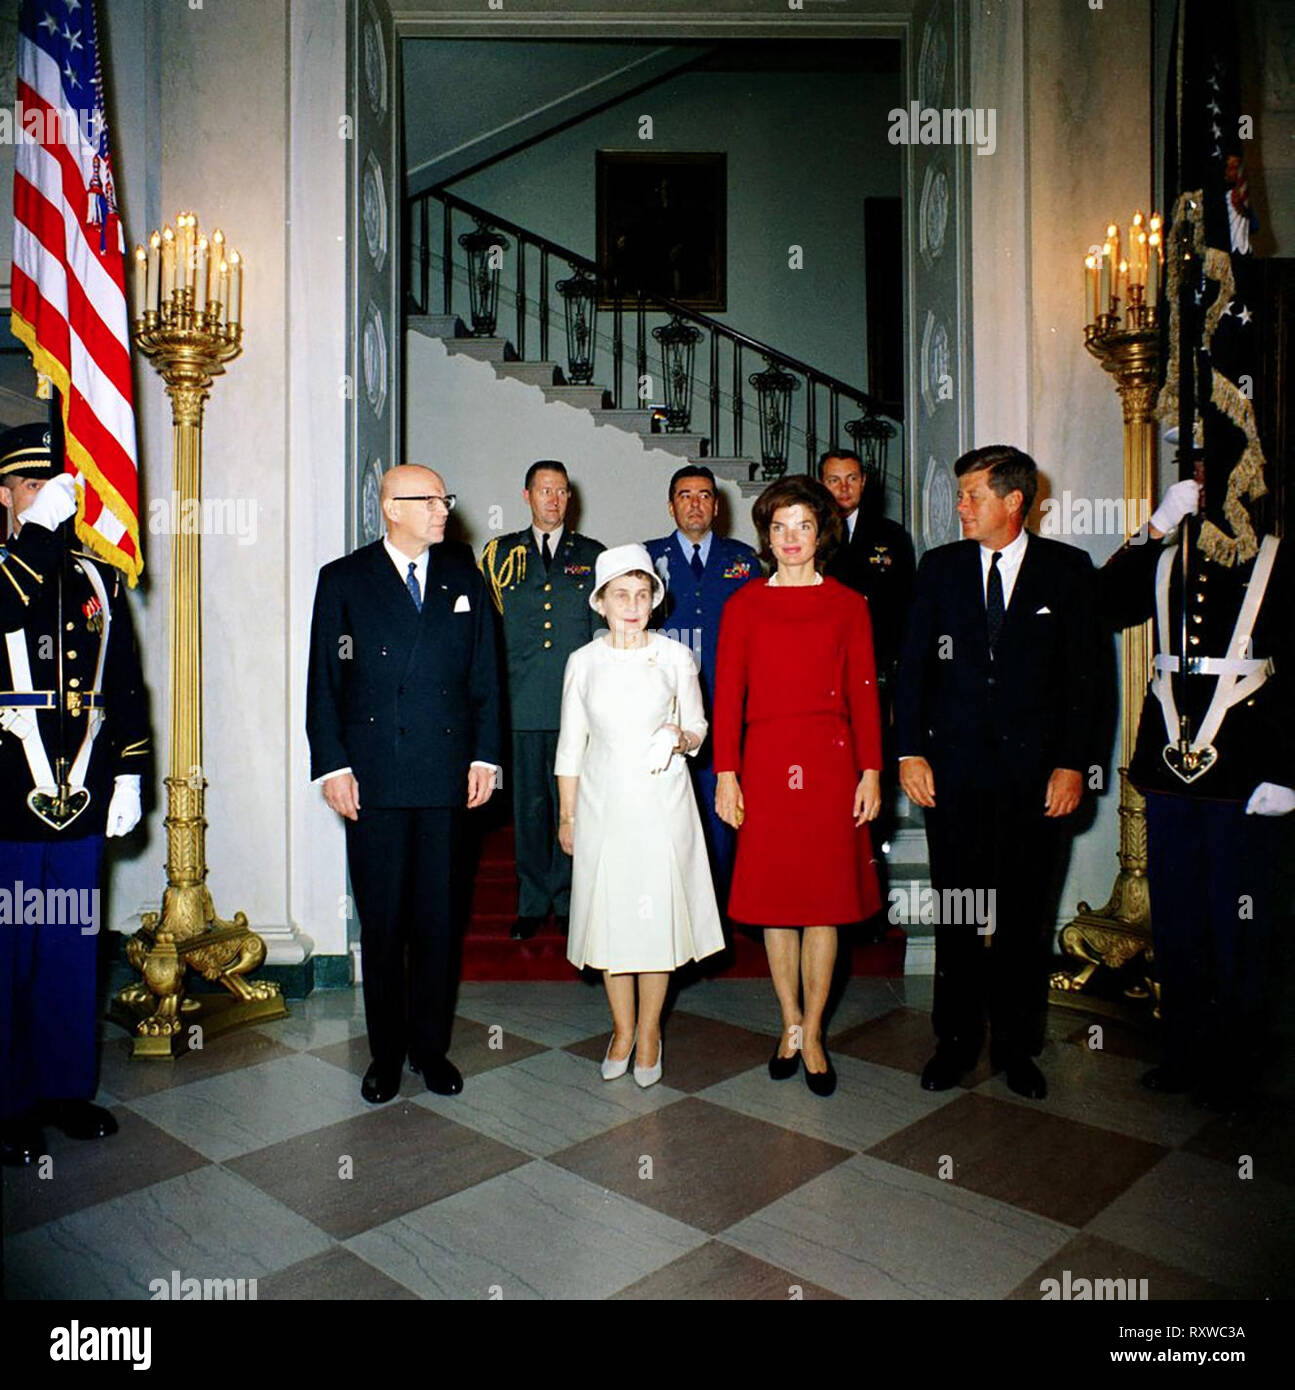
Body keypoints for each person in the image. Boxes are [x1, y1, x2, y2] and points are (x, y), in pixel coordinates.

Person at [896, 445, 1100, 1101]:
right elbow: (913, 669)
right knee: (957, 913)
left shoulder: (1067, 572)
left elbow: (1087, 682)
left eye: (971, 496)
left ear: (1013, 501)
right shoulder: (939, 568)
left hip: (1035, 782)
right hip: (950, 778)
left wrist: (1073, 764)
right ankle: (954, 1043)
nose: (958, 507)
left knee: (1021, 918)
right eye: (959, 495)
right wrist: (909, 751)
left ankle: (1016, 1047)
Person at [307, 464, 501, 1102]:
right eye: (431, 500)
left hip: (447, 777)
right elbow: (323, 686)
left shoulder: (463, 577)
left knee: (439, 923)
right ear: (392, 508)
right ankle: (385, 1054)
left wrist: (485, 756)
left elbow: (485, 679)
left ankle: (430, 1048)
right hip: (375, 780)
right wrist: (333, 765)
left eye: (447, 497)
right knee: (385, 924)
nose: (445, 508)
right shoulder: (343, 579)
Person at [1099, 476, 1293, 1109]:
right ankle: (1183, 1051)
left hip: (1246, 767)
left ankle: (1240, 1061)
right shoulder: (1164, 557)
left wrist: (1290, 771)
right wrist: (1153, 527)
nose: (1209, 498)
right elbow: (1101, 602)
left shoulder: (1276, 558)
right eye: (1200, 486)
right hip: (1169, 765)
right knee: (1178, 914)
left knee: (1240, 918)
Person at [0, 423, 149, 1166]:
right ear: (5, 495)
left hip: (80, 795)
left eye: (58, 490)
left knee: (69, 953)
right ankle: (7, 1103)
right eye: (33, 488)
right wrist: (35, 535)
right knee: (8, 956)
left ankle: (63, 1090)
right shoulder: (4, 569)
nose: (51, 501)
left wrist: (128, 771)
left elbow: (122, 683)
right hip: (4, 801)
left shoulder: (97, 579)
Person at [713, 476, 883, 1098]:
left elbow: (866, 694)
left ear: (822, 533)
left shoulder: (848, 605)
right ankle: (787, 1020)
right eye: (779, 527)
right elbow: (727, 696)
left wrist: (871, 771)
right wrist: (726, 774)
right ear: (766, 534)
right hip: (765, 762)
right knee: (776, 903)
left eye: (803, 526)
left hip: (831, 763)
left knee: (823, 904)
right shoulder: (744, 605)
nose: (790, 539)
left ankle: (814, 1032)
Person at [556, 544, 724, 1087]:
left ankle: (650, 1032)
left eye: (643, 593)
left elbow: (699, 729)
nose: (632, 604)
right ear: (600, 602)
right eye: (620, 595)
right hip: (604, 807)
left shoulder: (676, 657)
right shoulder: (582, 662)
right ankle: (621, 1029)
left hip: (661, 806)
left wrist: (680, 735)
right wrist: (567, 816)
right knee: (612, 923)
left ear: (655, 599)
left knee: (654, 928)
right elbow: (569, 748)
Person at [480, 461, 604, 941]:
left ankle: (575, 901)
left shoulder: (592, 555)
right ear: (526, 495)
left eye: (561, 491)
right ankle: (532, 901)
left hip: (577, 704)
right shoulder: (499, 554)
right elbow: (487, 631)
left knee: (574, 808)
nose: (553, 499)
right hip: (521, 702)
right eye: (543, 490)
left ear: (569, 498)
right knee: (530, 808)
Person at [644, 466, 757, 892]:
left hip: (726, 699)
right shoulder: (648, 557)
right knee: (667, 804)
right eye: (685, 495)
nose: (695, 503)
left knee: (722, 804)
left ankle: (726, 902)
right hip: (665, 706)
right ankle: (673, 899)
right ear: (671, 505)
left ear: (717, 505)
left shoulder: (743, 560)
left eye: (705, 495)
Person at [819, 448, 915, 698]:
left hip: (875, 664)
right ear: (821, 484)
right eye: (834, 480)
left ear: (863, 482)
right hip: (822, 661)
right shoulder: (809, 534)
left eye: (851, 479)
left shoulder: (893, 536)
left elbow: (906, 605)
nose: (844, 488)